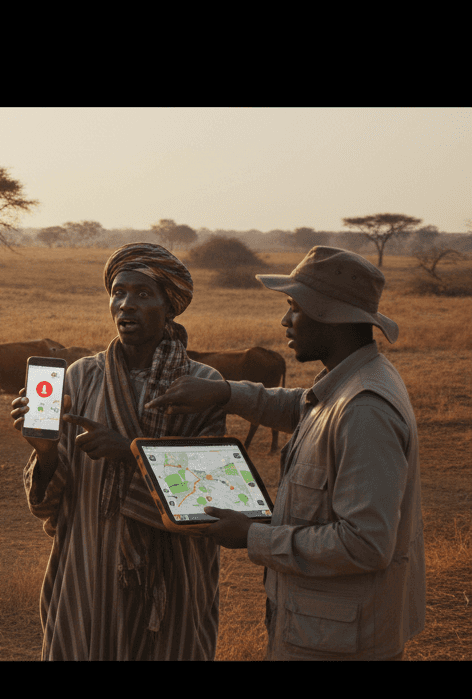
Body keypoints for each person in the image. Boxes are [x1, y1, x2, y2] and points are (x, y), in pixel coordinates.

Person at [147, 246, 423, 660]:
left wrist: (253, 537)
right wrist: (224, 392)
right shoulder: (351, 382)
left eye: (294, 307)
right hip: (326, 627)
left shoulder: (365, 411)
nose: (285, 320)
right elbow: (302, 406)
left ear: (329, 315)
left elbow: (365, 544)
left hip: (340, 642)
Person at [12, 243, 226, 660]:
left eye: (143, 294)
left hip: (172, 574)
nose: (126, 304)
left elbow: (212, 499)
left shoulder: (201, 384)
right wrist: (46, 452)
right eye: (119, 291)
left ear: (170, 304)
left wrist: (130, 452)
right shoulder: (82, 377)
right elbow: (48, 506)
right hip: (86, 567)